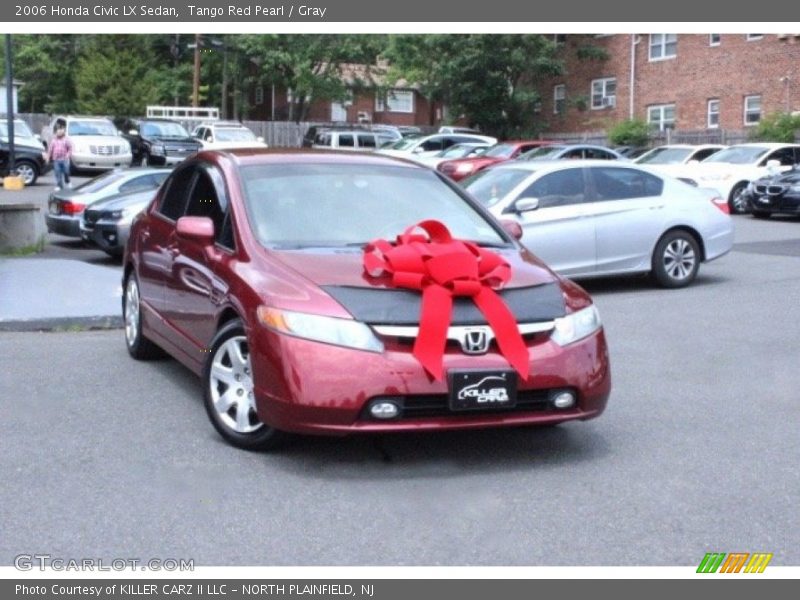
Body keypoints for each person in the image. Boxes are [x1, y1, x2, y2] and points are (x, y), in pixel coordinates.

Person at [47, 121, 73, 191]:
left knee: (66, 172)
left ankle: (67, 181)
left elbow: (70, 148)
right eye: (58, 131)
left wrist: (68, 155)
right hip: (56, 159)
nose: (59, 133)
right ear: (56, 133)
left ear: (63, 132)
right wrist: (48, 157)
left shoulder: (66, 140)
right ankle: (59, 185)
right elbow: (50, 149)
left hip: (65, 159)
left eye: (61, 131)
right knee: (57, 173)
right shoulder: (54, 140)